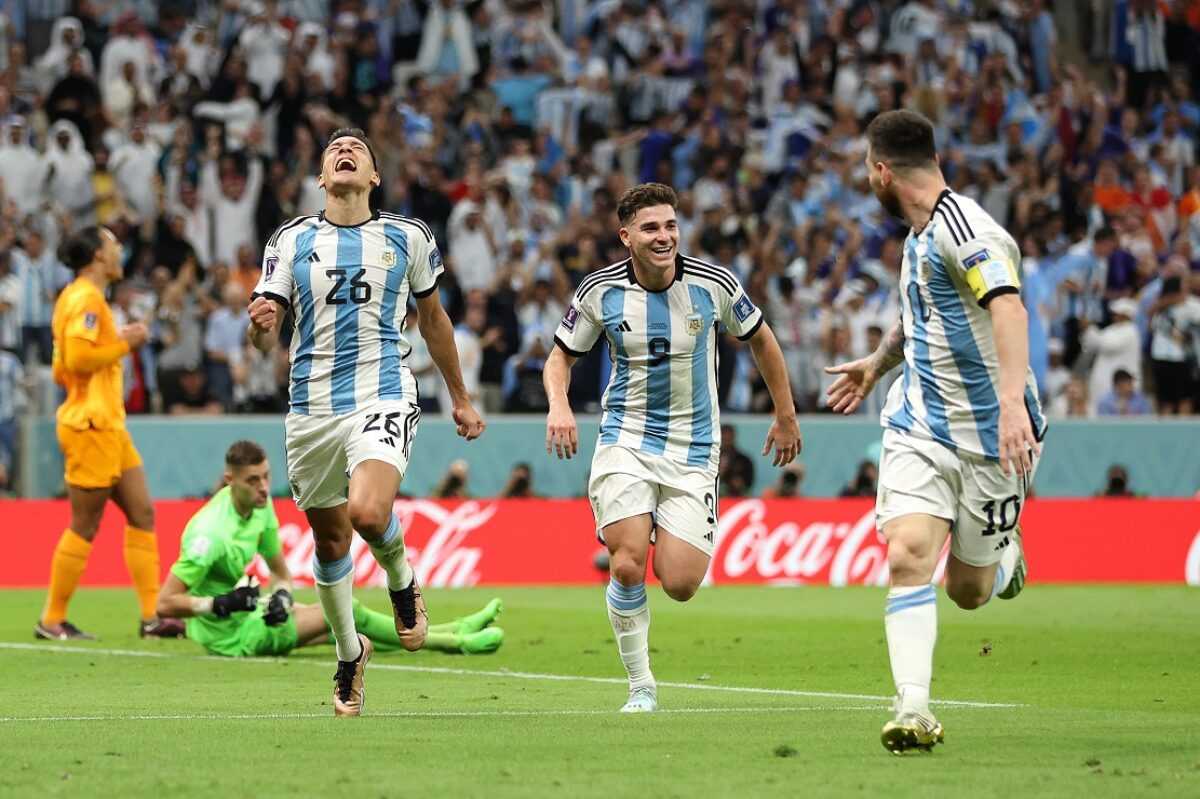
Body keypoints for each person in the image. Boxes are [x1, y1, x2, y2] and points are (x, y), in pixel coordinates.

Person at [824, 110, 1047, 755]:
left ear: (883, 171)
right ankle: (913, 707)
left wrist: (1010, 405)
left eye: (869, 169)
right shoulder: (918, 237)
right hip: (919, 424)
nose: (870, 179)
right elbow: (916, 319)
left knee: (970, 593)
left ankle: (1005, 554)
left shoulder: (965, 229)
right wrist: (875, 365)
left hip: (993, 438)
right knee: (906, 555)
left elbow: (1007, 305)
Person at [247, 127, 486, 717]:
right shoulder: (291, 239)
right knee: (329, 545)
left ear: (374, 176)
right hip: (310, 408)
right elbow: (263, 334)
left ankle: (403, 583)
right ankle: (350, 654)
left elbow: (433, 319)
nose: (344, 152)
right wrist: (259, 322)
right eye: (333, 151)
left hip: (381, 392)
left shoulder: (408, 236)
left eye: (356, 149)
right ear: (322, 178)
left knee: (368, 512)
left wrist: (459, 396)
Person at [544, 182, 803, 713]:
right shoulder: (599, 291)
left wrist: (785, 414)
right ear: (626, 237)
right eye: (650, 228)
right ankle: (641, 685)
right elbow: (559, 358)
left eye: (670, 226)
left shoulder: (714, 284)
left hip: (694, 447)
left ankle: (653, 522)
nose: (663, 237)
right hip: (626, 439)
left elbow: (761, 339)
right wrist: (559, 405)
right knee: (627, 565)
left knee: (681, 583)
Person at [157, 441, 503, 658]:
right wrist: (218, 603)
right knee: (345, 610)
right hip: (231, 638)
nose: (264, 488)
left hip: (253, 615)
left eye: (265, 476)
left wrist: (282, 596)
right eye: (253, 481)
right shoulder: (210, 535)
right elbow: (164, 603)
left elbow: (279, 573)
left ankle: (453, 632)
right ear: (230, 481)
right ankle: (455, 638)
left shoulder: (259, 508)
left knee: (346, 629)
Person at [37, 227, 185, 641]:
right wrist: (127, 344)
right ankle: (51, 619)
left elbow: (62, 363)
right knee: (84, 524)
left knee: (142, 513)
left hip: (109, 425)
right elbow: (79, 359)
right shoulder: (84, 298)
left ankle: (152, 616)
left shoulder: (80, 298)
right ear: (99, 256)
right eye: (113, 244)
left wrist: (119, 337)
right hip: (90, 425)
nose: (120, 250)